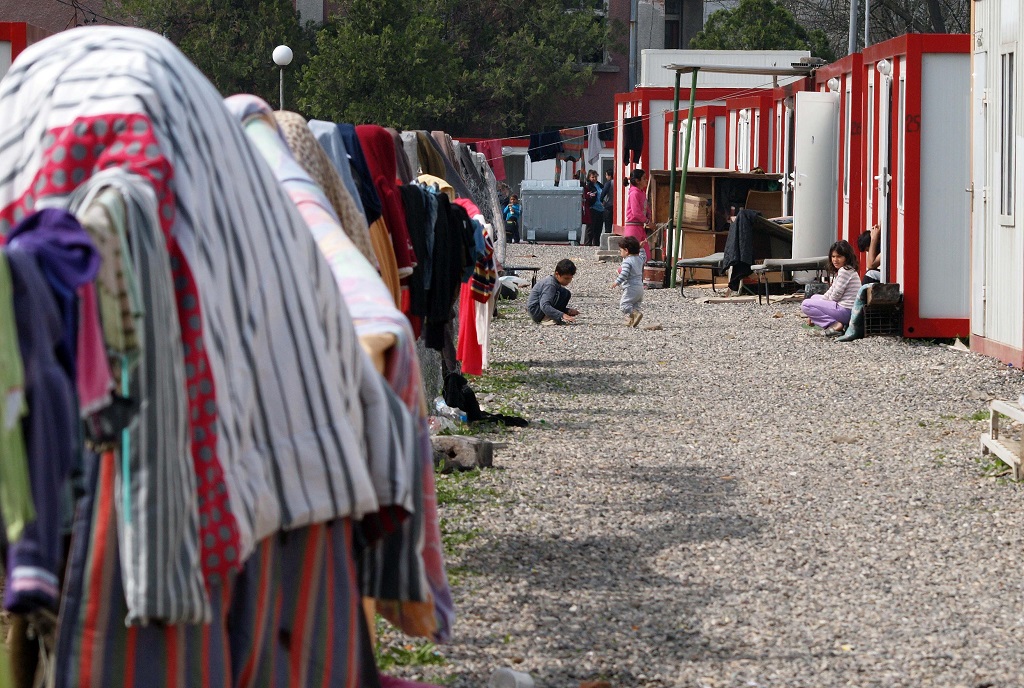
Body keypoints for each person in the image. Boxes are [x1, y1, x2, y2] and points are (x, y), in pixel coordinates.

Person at [801, 240, 862, 336]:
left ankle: (835, 324)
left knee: (806, 305)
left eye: (839, 257)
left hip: (846, 311)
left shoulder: (845, 271)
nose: (835, 260)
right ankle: (835, 322)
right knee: (814, 297)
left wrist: (815, 311)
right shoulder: (845, 270)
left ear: (846, 258)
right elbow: (831, 291)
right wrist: (813, 313)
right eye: (833, 256)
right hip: (845, 309)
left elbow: (836, 295)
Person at [527, 258, 579, 325]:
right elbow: (544, 305)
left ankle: (553, 314)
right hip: (536, 312)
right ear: (557, 274)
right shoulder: (550, 285)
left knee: (566, 293)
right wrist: (562, 315)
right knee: (560, 293)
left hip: (540, 308)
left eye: (570, 278)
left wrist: (566, 311)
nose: (568, 281)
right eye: (566, 278)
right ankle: (546, 318)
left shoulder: (555, 283)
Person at [612, 235, 644, 327]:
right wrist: (641, 248)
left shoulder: (627, 261)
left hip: (631, 287)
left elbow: (624, 274)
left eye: (621, 250)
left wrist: (617, 282)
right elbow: (643, 256)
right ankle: (633, 320)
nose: (620, 252)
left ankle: (635, 315)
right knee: (635, 305)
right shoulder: (640, 259)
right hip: (640, 288)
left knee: (624, 305)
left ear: (626, 250)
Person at [624, 168, 653, 263]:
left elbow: (646, 207)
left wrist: (649, 215)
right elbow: (636, 212)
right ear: (637, 181)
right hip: (633, 226)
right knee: (632, 255)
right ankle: (623, 271)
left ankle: (638, 275)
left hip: (640, 226)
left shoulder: (642, 193)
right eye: (644, 178)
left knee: (646, 255)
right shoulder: (634, 193)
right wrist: (648, 221)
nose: (646, 180)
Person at [583, 170, 604, 246]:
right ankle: (587, 244)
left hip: (601, 208)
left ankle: (596, 244)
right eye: (592, 177)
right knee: (590, 228)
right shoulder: (588, 186)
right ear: (589, 177)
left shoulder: (600, 185)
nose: (594, 178)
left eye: (595, 177)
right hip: (592, 208)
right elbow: (585, 195)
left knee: (598, 229)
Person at [601, 170, 614, 235]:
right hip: (617, 206)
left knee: (608, 224)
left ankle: (607, 235)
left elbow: (603, 193)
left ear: (609, 176)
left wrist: (601, 201)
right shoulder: (618, 182)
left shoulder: (609, 183)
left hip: (609, 205)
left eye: (606, 175)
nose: (606, 177)